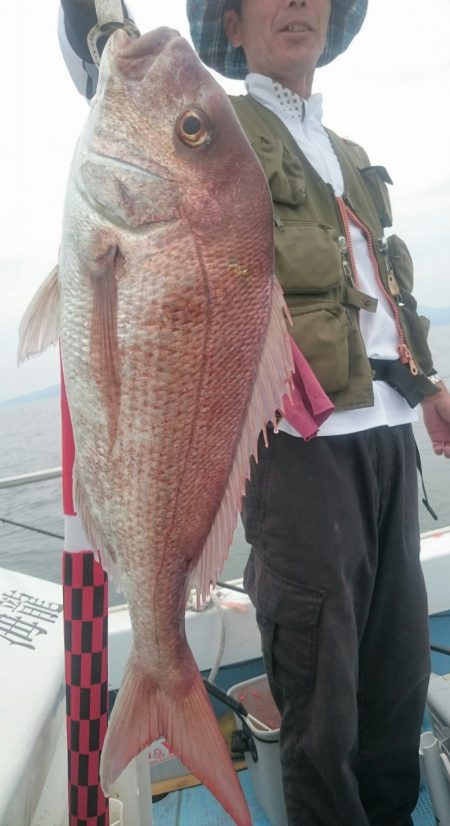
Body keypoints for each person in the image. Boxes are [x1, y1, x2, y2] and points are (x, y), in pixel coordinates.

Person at [59, 1, 450, 823]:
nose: (302, 4)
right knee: (323, 709)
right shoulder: (209, 124)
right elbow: (109, 75)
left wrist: (428, 383)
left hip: (387, 439)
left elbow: (381, 289)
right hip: (299, 451)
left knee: (395, 683)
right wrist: (102, 32)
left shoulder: (344, 153)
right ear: (230, 28)